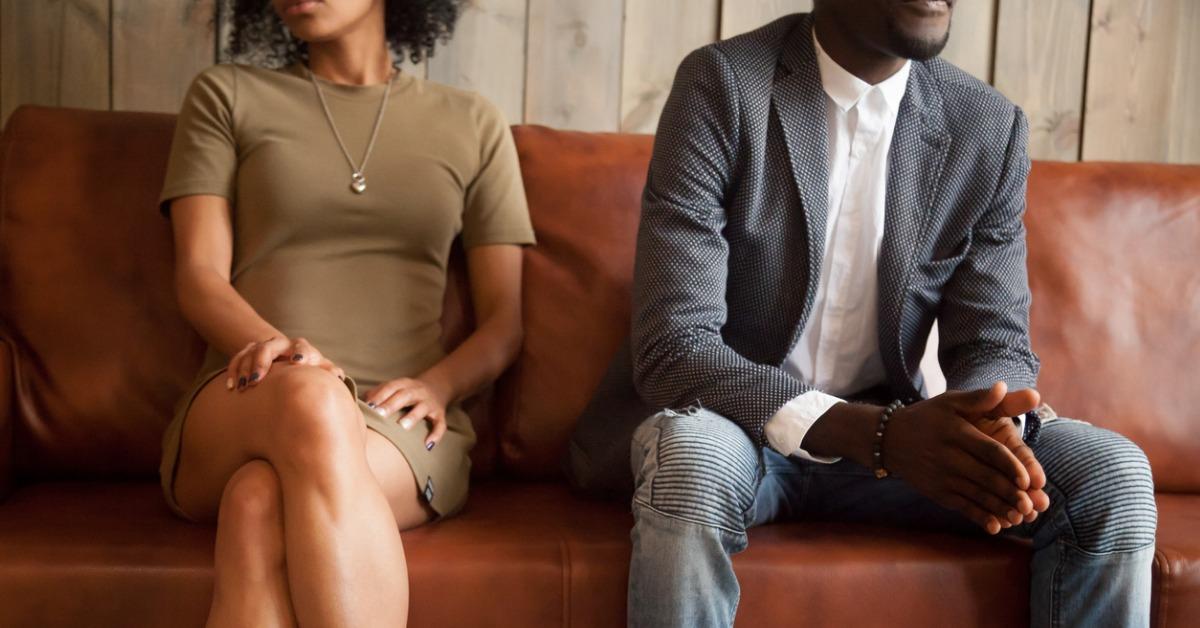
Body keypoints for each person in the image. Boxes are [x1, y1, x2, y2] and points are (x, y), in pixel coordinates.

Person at [624, 1, 1156, 626]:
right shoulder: (724, 84)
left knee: (1114, 474)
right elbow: (675, 345)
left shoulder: (985, 125)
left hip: (904, 449)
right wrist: (881, 437)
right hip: (742, 428)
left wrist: (991, 424)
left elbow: (992, 338)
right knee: (691, 460)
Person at [156, 0, 534, 625]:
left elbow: (504, 322)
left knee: (257, 502)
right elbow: (198, 277)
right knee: (311, 399)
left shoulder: (472, 122)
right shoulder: (225, 95)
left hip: (398, 422)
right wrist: (283, 351)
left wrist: (439, 386)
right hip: (247, 395)